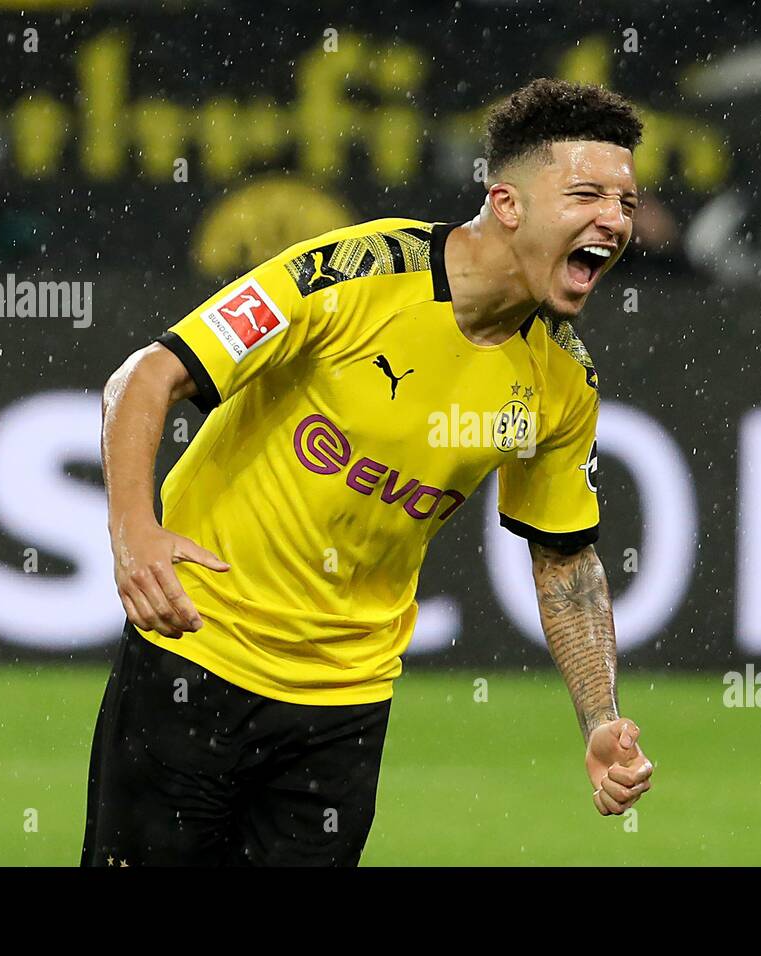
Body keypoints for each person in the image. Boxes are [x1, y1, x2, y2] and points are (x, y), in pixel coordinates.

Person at [81, 77, 654, 867]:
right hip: (197, 658)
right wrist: (134, 533)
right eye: (588, 193)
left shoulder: (563, 376)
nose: (613, 221)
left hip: (345, 706)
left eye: (626, 203)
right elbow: (146, 377)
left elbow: (566, 560)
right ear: (508, 203)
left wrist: (599, 719)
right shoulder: (351, 274)